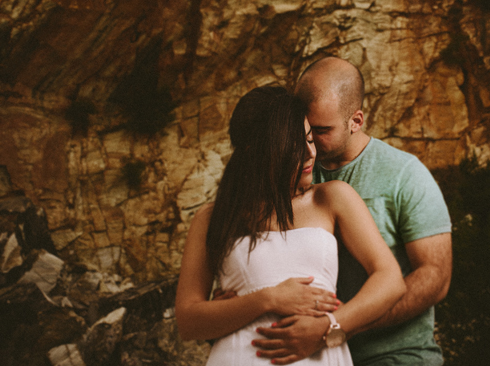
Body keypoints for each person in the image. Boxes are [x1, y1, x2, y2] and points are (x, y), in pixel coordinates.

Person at [175, 85, 406, 365]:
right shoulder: (213, 217)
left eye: (309, 139)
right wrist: (267, 299)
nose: (309, 153)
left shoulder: (331, 198)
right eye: (293, 146)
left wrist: (328, 327)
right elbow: (188, 321)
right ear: (256, 152)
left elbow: (390, 280)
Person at [253, 57, 453, 366]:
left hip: (396, 356)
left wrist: (339, 326)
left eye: (322, 130)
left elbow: (435, 277)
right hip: (308, 357)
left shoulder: (405, 175)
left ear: (356, 121)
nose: (309, 143)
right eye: (303, 130)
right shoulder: (292, 173)